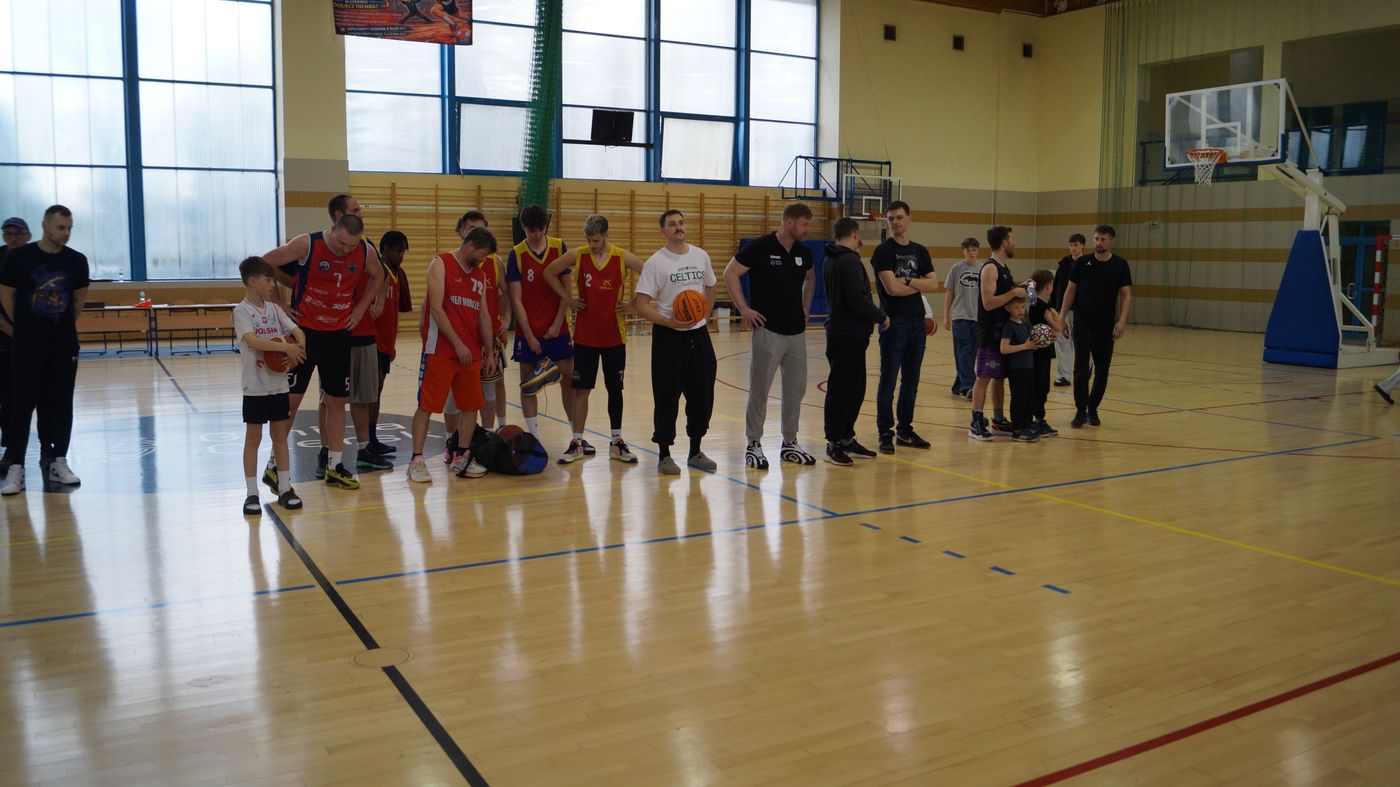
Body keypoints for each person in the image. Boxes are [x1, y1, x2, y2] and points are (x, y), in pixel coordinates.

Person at [261, 211, 383, 491]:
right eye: (341, 244)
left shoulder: (365, 251)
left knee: (337, 401)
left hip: (338, 335)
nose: (346, 250)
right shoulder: (307, 244)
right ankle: (273, 465)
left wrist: (361, 308)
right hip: (304, 334)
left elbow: (378, 277)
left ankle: (335, 466)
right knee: (291, 401)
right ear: (332, 230)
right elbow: (264, 263)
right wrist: (278, 304)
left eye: (352, 245)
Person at [0, 205, 88, 495]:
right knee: (22, 404)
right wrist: (21, 327)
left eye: (69, 228)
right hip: (27, 343)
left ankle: (58, 461)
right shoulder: (19, 258)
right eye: (61, 227)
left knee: (61, 402)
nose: (66, 233)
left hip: (63, 343)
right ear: (45, 225)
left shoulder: (77, 261)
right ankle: (16, 467)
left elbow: (77, 303)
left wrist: (58, 327)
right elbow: (7, 295)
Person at [542, 214, 644, 464]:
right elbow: (549, 272)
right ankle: (577, 442)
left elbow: (652, 273)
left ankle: (616, 442)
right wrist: (567, 299)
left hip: (614, 335)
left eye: (596, 240)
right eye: (588, 240)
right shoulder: (578, 255)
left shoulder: (622, 257)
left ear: (606, 235)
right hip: (585, 337)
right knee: (581, 390)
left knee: (615, 390)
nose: (592, 244)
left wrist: (634, 303)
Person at [724, 202, 818, 469]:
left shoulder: (804, 252)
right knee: (760, 390)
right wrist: (744, 309)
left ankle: (790, 442)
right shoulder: (760, 247)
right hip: (768, 330)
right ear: (789, 223)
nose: (807, 229)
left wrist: (806, 306)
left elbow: (810, 278)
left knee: (795, 391)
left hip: (796, 333)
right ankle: (754, 443)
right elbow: (730, 273)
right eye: (804, 224)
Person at [406, 227, 499, 483]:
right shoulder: (440, 264)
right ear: (469, 245)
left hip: (471, 353)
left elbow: (484, 316)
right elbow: (436, 309)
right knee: (427, 406)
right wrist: (457, 343)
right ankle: (416, 460)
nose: (483, 260)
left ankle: (461, 456)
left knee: (471, 406)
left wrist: (490, 352)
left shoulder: (480, 275)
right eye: (482, 254)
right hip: (440, 350)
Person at [633, 210, 717, 476]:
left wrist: (705, 314)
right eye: (672, 224)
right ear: (663, 231)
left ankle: (696, 451)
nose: (678, 227)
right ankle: (664, 455)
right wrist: (668, 322)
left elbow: (711, 286)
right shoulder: (655, 263)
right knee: (666, 397)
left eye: (681, 222)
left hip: (699, 335)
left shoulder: (701, 256)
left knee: (702, 394)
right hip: (668, 337)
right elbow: (641, 304)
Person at [234, 256, 306, 514]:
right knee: (253, 439)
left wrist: (299, 350)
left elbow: (298, 331)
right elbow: (253, 341)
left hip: (278, 386)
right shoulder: (241, 311)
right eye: (269, 279)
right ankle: (251, 494)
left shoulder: (275, 309)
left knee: (280, 438)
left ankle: (285, 488)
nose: (273, 284)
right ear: (253, 281)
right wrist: (286, 348)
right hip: (255, 387)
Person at [870, 201, 939, 454]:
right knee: (888, 380)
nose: (895, 222)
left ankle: (905, 430)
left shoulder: (920, 251)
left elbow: (934, 285)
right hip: (894, 322)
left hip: (917, 322)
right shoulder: (883, 251)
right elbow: (892, 289)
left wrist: (908, 279)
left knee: (911, 380)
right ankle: (885, 432)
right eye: (891, 218)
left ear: (909, 219)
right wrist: (918, 284)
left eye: (899, 217)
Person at [507, 204, 576, 442]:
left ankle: (576, 436)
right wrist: (528, 336)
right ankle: (534, 437)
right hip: (529, 332)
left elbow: (567, 292)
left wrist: (557, 324)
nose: (537, 234)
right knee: (528, 385)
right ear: (523, 228)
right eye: (531, 230)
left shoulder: (559, 247)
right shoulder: (516, 254)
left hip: (558, 330)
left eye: (541, 229)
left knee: (568, 380)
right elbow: (516, 299)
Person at [821, 217, 887, 466]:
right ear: (855, 234)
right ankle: (834, 441)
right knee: (842, 388)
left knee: (854, 387)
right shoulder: (848, 261)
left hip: (849, 333)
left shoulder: (832, 258)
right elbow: (857, 299)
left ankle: (845, 436)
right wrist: (881, 316)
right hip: (847, 332)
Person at [1059, 224, 1133, 428]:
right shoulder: (1082, 263)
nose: (1099, 243)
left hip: (1106, 326)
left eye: (1103, 239)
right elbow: (1070, 290)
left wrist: (1122, 321)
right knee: (1080, 369)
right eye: (1096, 239)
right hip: (1082, 324)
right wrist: (1061, 317)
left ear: (1111, 241)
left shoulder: (1120, 265)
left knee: (1102, 370)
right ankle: (1080, 411)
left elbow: (1126, 294)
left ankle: (1092, 409)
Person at [968, 225, 1025, 442]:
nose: (1014, 243)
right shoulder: (990, 268)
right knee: (984, 376)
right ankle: (976, 421)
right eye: (1012, 239)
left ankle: (998, 419)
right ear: (1004, 242)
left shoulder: (1004, 268)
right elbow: (988, 302)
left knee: (999, 377)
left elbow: (1005, 294)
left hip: (1003, 331)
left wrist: (1022, 288)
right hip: (989, 333)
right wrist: (1013, 292)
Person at [460, 212, 509, 433]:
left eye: (482, 229)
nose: (478, 233)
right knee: (462, 389)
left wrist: (506, 319)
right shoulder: (452, 263)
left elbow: (505, 293)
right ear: (462, 232)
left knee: (495, 384)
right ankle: (459, 437)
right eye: (472, 229)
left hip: (490, 336)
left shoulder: (495, 261)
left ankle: (497, 430)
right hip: (464, 338)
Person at [369, 230, 413, 457]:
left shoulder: (399, 274)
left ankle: (371, 437)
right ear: (384, 249)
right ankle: (368, 439)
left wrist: (392, 345)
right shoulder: (375, 272)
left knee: (377, 392)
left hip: (386, 344)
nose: (401, 255)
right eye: (397, 251)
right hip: (371, 342)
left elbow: (398, 310)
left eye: (403, 251)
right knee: (371, 393)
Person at [0, 216, 32, 470]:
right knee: (5, 396)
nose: (13, 238)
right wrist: (9, 328)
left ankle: (15, 452)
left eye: (18, 234)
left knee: (19, 396)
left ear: (28, 236)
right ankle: (9, 449)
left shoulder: (36, 258)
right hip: (4, 336)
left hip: (31, 337)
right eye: (8, 234)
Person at [1026, 269, 1066, 437]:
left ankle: (1030, 419)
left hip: (1031, 350)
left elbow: (1029, 285)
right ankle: (1039, 420)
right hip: (1042, 351)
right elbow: (1059, 327)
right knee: (1042, 387)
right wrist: (1057, 315)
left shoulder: (1032, 301)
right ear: (1049, 287)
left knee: (1033, 385)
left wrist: (1031, 283)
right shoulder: (1044, 308)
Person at [943, 237, 981, 400]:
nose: (971, 253)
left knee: (970, 354)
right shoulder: (956, 268)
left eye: (974, 250)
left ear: (978, 251)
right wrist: (946, 316)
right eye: (968, 250)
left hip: (978, 318)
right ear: (963, 251)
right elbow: (949, 292)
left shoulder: (983, 268)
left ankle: (958, 385)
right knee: (963, 351)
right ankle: (969, 386)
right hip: (960, 316)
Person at [999, 297, 1039, 443]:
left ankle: (1026, 424)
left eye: (1023, 307)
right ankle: (1017, 429)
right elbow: (1004, 348)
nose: (1021, 310)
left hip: (1029, 366)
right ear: (1008, 308)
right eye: (1017, 307)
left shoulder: (1025, 324)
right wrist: (1024, 346)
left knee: (1028, 397)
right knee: (1019, 399)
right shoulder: (1009, 326)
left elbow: (1031, 344)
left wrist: (1042, 341)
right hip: (1016, 368)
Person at [1052, 234, 1086, 386]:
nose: (1073, 248)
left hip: (1082, 310)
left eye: (1076, 245)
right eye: (1071, 245)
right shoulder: (1063, 264)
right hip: (1064, 309)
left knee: (1082, 342)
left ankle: (1084, 370)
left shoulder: (1088, 263)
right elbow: (1057, 287)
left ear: (1082, 245)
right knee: (1062, 340)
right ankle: (1064, 375)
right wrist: (1054, 307)